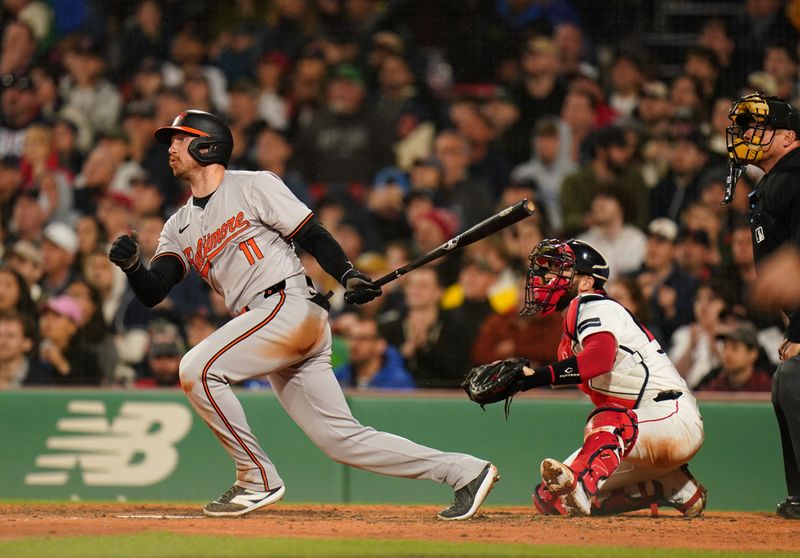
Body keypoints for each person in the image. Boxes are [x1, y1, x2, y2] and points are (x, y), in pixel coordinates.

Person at [108, 110, 497, 520]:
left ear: (207, 145)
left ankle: (255, 479)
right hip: (271, 322)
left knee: (197, 369)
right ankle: (465, 471)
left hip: (284, 305)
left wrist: (347, 274)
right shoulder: (179, 224)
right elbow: (155, 291)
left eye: (178, 138)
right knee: (341, 440)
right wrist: (134, 266)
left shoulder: (253, 185)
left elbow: (310, 233)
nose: (169, 148)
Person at [481, 238, 706, 517]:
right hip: (642, 431)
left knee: (605, 423)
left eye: (559, 270)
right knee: (550, 500)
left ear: (586, 282)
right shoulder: (569, 335)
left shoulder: (593, 304)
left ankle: (583, 489)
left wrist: (532, 379)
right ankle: (670, 486)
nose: (547, 277)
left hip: (670, 416)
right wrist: (525, 378)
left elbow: (599, 360)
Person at [726, 92, 800, 519]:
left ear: (789, 137)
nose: (746, 135)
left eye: (757, 127)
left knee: (793, 380)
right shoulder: (776, 181)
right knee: (785, 383)